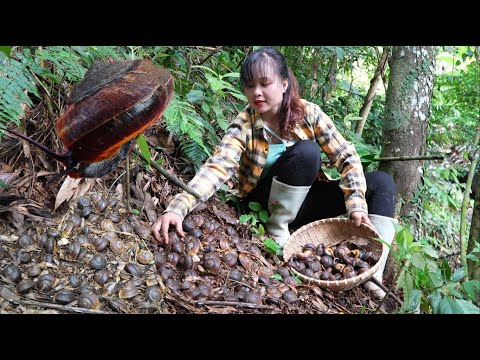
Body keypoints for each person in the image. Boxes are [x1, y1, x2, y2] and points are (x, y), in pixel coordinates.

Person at [151, 47, 397, 299]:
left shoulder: (309, 114)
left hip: (303, 202)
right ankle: (277, 232)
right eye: (250, 85)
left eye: (265, 83)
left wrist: (356, 202)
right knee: (307, 152)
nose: (256, 92)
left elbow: (346, 156)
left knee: (382, 182)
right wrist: (178, 207)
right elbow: (218, 166)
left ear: (283, 83)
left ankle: (373, 269)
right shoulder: (245, 123)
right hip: (265, 201)